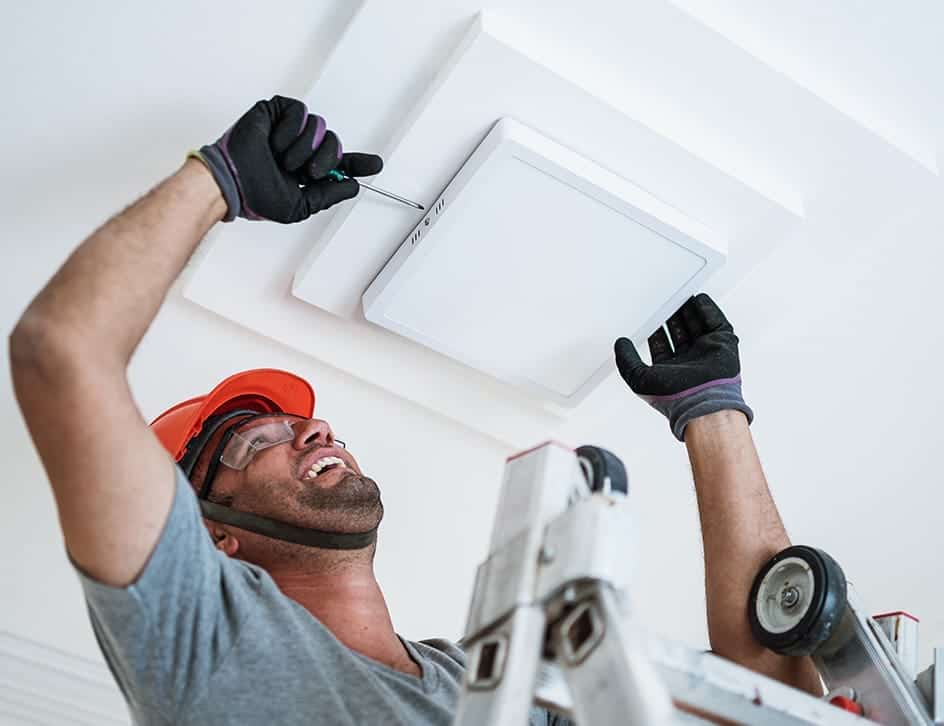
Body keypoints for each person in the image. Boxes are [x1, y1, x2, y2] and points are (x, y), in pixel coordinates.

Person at [9, 95, 821, 725]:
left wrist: (713, 417)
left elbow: (773, 701)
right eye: (257, 439)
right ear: (213, 532)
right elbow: (60, 354)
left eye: (303, 424)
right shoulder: (212, 648)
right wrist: (217, 180)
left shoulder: (503, 681)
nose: (314, 430)